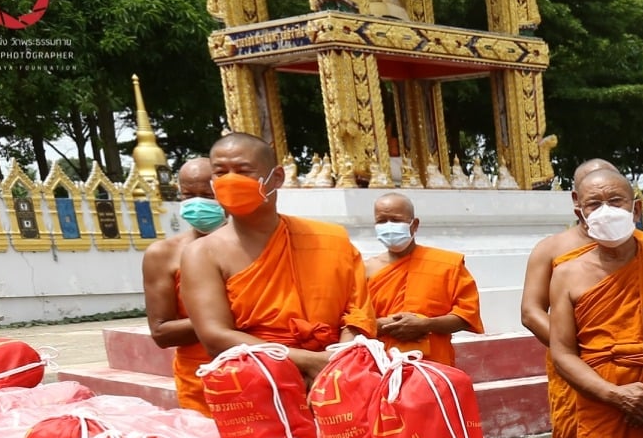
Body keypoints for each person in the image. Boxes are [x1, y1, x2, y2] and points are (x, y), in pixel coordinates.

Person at [178, 132, 374, 376]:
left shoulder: (330, 238)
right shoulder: (202, 254)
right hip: (258, 380)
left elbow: (358, 312)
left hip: (339, 375)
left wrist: (339, 358)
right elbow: (215, 336)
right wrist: (308, 362)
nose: (230, 180)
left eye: (242, 170)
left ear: (277, 177)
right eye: (220, 172)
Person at [546, 166, 643, 438]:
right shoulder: (566, 274)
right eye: (594, 204)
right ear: (581, 213)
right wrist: (616, 396)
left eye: (616, 201)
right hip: (603, 403)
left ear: (636, 208)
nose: (606, 211)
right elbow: (563, 353)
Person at [522, 158, 620, 438]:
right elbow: (531, 311)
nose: (606, 207)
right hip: (575, 362)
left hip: (632, 363)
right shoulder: (552, 248)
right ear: (577, 201)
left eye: (614, 197)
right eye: (592, 197)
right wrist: (574, 349)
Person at [364, 192, 484, 366]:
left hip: (434, 367)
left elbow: (467, 316)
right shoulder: (364, 270)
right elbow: (352, 321)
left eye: (396, 220)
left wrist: (426, 325)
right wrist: (382, 325)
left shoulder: (446, 264)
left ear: (415, 225)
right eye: (382, 221)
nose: (389, 226)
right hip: (380, 364)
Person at [141, 155, 221, 415]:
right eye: (188, 195)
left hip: (265, 371)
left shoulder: (256, 248)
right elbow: (162, 332)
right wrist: (230, 318)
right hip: (200, 377)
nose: (197, 203)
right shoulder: (163, 254)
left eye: (207, 195)